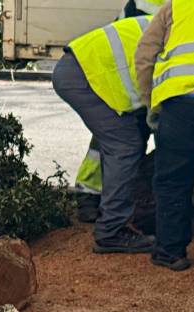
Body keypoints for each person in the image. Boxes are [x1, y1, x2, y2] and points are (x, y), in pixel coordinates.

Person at [54, 15, 157, 254]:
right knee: (125, 145)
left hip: (80, 66)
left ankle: (105, 207)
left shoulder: (178, 23)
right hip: (86, 74)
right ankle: (111, 231)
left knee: (127, 137)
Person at [136, 0, 194, 271]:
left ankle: (170, 251)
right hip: (182, 101)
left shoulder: (178, 6)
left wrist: (150, 102)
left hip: (181, 103)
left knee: (173, 179)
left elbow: (144, 55)